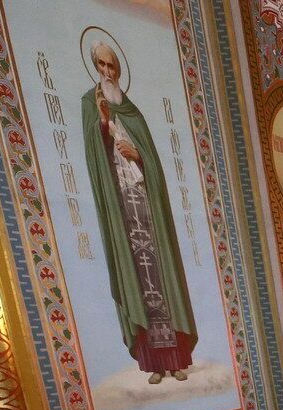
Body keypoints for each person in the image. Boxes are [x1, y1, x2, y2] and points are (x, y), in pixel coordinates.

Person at [82, 37, 197, 383]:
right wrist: (103, 125)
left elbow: (154, 164)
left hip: (147, 209)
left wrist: (140, 156)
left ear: (118, 68)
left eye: (111, 65)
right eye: (100, 65)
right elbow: (94, 156)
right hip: (123, 210)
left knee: (162, 278)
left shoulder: (133, 110)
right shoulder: (91, 103)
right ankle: (155, 365)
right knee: (138, 279)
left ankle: (176, 361)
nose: (106, 71)